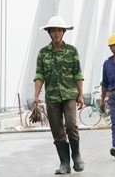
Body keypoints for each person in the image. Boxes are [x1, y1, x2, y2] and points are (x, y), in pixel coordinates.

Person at [33, 15, 85, 174]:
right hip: (52, 97)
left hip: (69, 95)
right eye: (53, 31)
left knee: (71, 125)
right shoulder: (43, 53)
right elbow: (39, 75)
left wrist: (81, 94)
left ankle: (76, 155)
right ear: (49, 33)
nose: (56, 33)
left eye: (59, 30)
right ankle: (64, 163)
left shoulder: (71, 51)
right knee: (57, 131)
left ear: (63, 32)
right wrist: (36, 97)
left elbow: (77, 73)